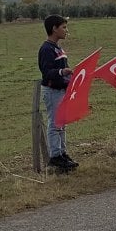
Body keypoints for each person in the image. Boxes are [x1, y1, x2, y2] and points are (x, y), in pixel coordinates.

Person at [38, 15, 78, 172]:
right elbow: (46, 72)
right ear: (54, 28)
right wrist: (62, 72)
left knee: (62, 123)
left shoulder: (58, 48)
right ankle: (55, 157)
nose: (66, 31)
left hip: (62, 90)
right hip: (53, 91)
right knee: (55, 123)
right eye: (64, 27)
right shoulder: (46, 49)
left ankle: (62, 153)